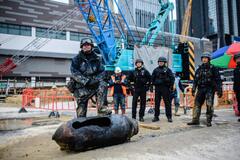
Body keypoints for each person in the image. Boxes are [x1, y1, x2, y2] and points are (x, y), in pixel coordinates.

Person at [70, 38, 112, 117]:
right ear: (81, 47)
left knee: (103, 84)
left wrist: (95, 80)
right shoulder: (76, 59)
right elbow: (75, 73)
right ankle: (81, 120)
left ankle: (102, 109)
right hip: (81, 87)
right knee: (81, 114)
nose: (86, 47)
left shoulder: (98, 59)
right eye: (84, 45)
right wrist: (87, 81)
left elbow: (102, 72)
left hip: (94, 85)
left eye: (88, 45)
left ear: (91, 46)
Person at [187, 52, 222, 127]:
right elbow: (195, 80)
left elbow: (218, 80)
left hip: (210, 89)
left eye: (206, 58)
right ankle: (195, 120)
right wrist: (193, 89)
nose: (204, 59)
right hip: (200, 89)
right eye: (203, 58)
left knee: (209, 105)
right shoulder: (199, 69)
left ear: (209, 59)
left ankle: (209, 120)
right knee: (197, 105)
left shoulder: (213, 68)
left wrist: (219, 90)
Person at [151, 57, 175, 123]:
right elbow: (152, 79)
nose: (160, 63)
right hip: (158, 88)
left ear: (164, 63)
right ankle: (156, 116)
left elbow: (172, 78)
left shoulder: (168, 70)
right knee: (157, 103)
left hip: (165, 88)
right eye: (159, 62)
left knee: (167, 103)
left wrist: (170, 85)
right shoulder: (155, 70)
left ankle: (169, 117)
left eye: (162, 62)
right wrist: (152, 85)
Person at [233, 53, 240, 122]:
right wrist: (234, 89)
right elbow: (235, 80)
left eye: (239, 58)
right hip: (238, 89)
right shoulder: (235, 70)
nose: (238, 60)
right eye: (237, 59)